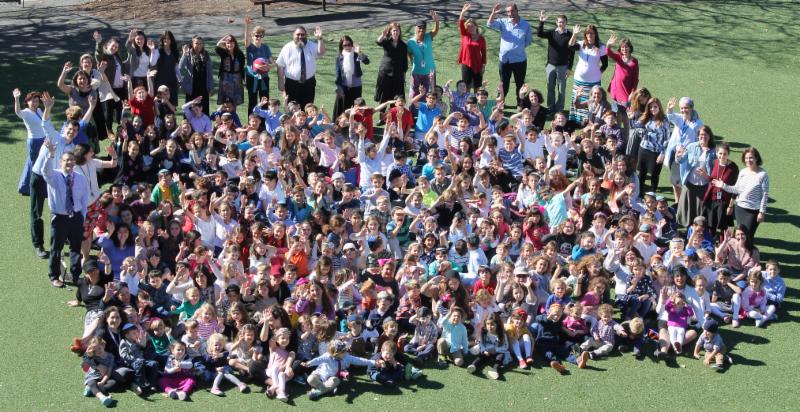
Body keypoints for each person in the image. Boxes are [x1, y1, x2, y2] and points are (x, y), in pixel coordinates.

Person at [41, 122, 90, 288]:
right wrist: (50, 155)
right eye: (66, 160)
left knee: (76, 248)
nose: (69, 163)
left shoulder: (80, 178)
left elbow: (84, 199)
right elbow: (45, 171)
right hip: (59, 217)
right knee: (56, 248)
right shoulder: (54, 176)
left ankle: (75, 275)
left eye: (71, 160)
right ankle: (54, 276)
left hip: (76, 217)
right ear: (60, 162)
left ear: (75, 162)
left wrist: (82, 216)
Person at [13, 88, 49, 258]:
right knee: (35, 168)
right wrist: (17, 98)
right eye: (32, 100)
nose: (35, 102)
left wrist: (47, 108)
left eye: (36, 100)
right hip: (34, 141)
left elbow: (46, 123)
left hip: (44, 140)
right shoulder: (26, 112)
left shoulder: (40, 110)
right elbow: (17, 112)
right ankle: (27, 185)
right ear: (27, 102)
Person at [712, 147, 769, 243]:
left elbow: (765, 195)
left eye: (751, 158)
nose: (748, 160)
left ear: (756, 158)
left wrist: (762, 212)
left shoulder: (763, 175)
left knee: (748, 236)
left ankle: (749, 252)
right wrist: (723, 186)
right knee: (740, 235)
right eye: (746, 158)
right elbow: (736, 189)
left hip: (753, 211)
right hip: (740, 208)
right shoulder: (743, 172)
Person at [487, 3, 532, 108]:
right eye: (508, 11)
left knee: (520, 83)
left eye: (512, 11)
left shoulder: (525, 25)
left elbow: (528, 41)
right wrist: (493, 13)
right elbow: (489, 24)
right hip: (504, 60)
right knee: (503, 83)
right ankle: (501, 103)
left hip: (519, 60)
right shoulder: (503, 22)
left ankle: (520, 104)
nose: (510, 13)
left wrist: (517, 48)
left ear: (517, 10)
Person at [276, 26, 326, 109]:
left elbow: (321, 53)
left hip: (309, 84)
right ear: (293, 35)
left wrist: (320, 39)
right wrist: (281, 83)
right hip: (292, 85)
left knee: (308, 109)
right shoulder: (287, 48)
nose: (300, 37)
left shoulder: (311, 45)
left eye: (302, 35)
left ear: (306, 35)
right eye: (298, 34)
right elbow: (280, 66)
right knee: (292, 109)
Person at [568, 23, 607, 125]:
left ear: (595, 34)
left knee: (592, 101)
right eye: (588, 33)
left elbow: (605, 64)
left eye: (592, 33)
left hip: (593, 82)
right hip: (579, 80)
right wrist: (574, 34)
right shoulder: (581, 44)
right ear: (585, 34)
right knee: (578, 98)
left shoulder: (601, 47)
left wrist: (597, 73)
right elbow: (570, 46)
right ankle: (577, 121)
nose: (590, 35)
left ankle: (590, 121)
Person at [676, 125, 716, 227]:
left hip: (704, 185)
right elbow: (681, 160)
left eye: (705, 134)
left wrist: (706, 175)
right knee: (687, 208)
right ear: (698, 136)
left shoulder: (714, 151)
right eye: (701, 135)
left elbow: (716, 170)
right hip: (690, 184)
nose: (703, 137)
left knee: (700, 210)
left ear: (709, 136)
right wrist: (678, 155)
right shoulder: (691, 146)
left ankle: (700, 230)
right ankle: (688, 229)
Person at [664, 96, 702, 200]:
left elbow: (699, 142)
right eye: (681, 108)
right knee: (675, 181)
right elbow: (670, 116)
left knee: (684, 182)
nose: (683, 110)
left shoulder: (698, 123)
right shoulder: (680, 118)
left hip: (687, 157)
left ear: (691, 108)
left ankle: (684, 203)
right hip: (675, 154)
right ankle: (677, 202)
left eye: (686, 108)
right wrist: (670, 108)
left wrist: (688, 151)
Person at [537, 11, 573, 114]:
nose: (561, 24)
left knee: (561, 89)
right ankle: (550, 107)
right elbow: (540, 34)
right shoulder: (551, 33)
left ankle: (560, 108)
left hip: (563, 67)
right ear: (556, 22)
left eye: (563, 22)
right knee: (550, 88)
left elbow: (572, 53)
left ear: (566, 23)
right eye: (560, 22)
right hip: (550, 66)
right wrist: (541, 22)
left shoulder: (570, 35)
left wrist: (569, 68)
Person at [374, 22, 408, 111]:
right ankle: (382, 116)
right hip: (385, 73)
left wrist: (403, 74)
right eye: (394, 30)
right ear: (390, 32)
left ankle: (393, 115)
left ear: (399, 32)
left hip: (398, 74)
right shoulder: (386, 42)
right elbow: (378, 42)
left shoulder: (403, 45)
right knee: (384, 96)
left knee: (395, 97)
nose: (395, 32)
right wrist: (382, 35)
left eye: (397, 30)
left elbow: (404, 61)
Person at [333, 36, 370, 119]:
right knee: (343, 108)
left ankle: (356, 123)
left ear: (352, 44)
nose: (347, 47)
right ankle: (340, 124)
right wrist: (339, 87)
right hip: (344, 86)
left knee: (356, 107)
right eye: (345, 45)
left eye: (349, 44)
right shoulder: (339, 57)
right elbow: (338, 73)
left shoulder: (356, 54)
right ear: (341, 46)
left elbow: (367, 62)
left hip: (356, 85)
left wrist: (359, 52)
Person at [244, 16, 274, 114]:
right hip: (251, 77)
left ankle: (263, 121)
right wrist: (247, 25)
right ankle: (251, 121)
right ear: (253, 36)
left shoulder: (265, 48)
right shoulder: (249, 47)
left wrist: (268, 66)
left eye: (261, 36)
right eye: (256, 35)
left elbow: (273, 63)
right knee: (252, 101)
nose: (258, 37)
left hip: (264, 78)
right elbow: (246, 39)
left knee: (265, 100)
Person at [407, 11, 440, 99]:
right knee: (414, 94)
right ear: (415, 28)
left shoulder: (428, 37)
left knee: (429, 95)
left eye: (423, 28)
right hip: (416, 72)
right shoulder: (410, 42)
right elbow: (408, 53)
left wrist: (436, 21)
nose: (421, 29)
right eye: (419, 27)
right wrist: (412, 61)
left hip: (430, 72)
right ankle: (413, 108)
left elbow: (435, 30)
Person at [179, 36, 214, 115]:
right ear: (192, 44)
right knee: (190, 111)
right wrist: (184, 54)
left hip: (203, 88)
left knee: (203, 111)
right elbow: (180, 67)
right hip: (192, 88)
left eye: (201, 43)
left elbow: (209, 73)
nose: (199, 45)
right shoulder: (188, 54)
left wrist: (211, 88)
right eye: (196, 43)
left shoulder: (206, 55)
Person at [457, 3, 487, 93]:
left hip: (478, 65)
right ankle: (467, 102)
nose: (470, 28)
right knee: (467, 87)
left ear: (476, 26)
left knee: (477, 87)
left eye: (472, 26)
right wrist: (463, 12)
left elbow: (484, 53)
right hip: (466, 65)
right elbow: (460, 23)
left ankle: (476, 102)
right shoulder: (465, 35)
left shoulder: (481, 39)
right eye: (468, 26)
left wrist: (483, 65)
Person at [604, 34, 639, 109]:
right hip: (615, 90)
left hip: (626, 91)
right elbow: (609, 53)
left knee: (625, 112)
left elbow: (635, 79)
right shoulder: (619, 57)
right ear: (620, 48)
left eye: (626, 47)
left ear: (630, 48)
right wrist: (608, 45)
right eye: (622, 47)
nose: (624, 49)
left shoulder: (634, 62)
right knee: (614, 111)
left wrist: (632, 92)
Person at [215, 34, 246, 108]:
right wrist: (225, 37)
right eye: (228, 43)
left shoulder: (240, 54)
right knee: (225, 100)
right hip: (225, 79)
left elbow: (242, 66)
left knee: (234, 100)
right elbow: (218, 45)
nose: (230, 45)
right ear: (225, 44)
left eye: (232, 43)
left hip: (237, 80)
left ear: (235, 44)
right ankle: (224, 115)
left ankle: (233, 114)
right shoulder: (223, 52)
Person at [152, 31, 180, 106]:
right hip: (160, 81)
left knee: (172, 104)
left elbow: (176, 67)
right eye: (164, 38)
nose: (166, 40)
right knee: (160, 104)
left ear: (171, 40)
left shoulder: (175, 52)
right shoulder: (157, 51)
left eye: (168, 38)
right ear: (162, 39)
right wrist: (152, 51)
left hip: (172, 81)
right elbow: (152, 63)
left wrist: (180, 79)